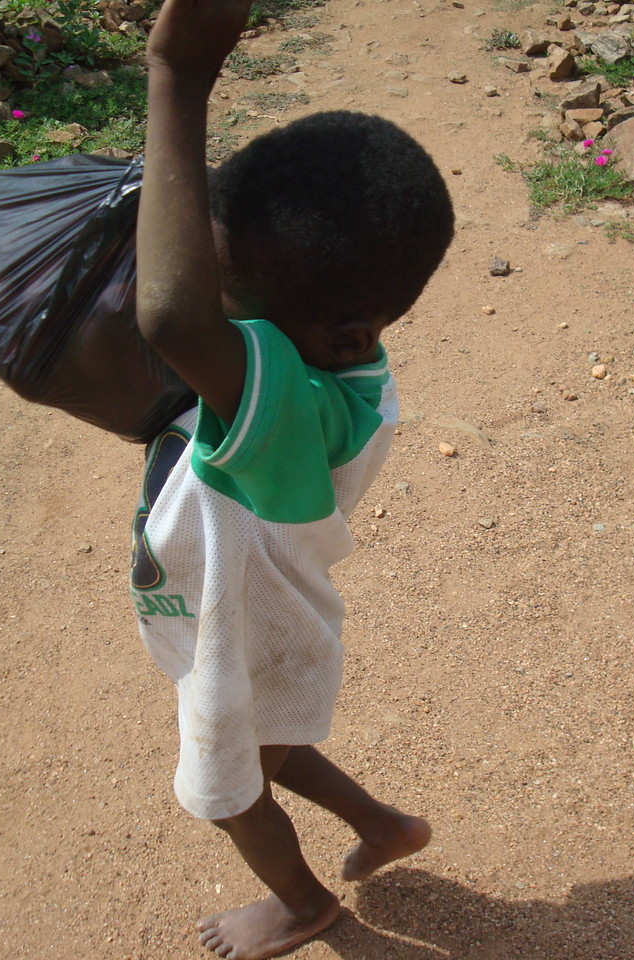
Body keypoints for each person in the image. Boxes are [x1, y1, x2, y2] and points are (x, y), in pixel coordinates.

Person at [131, 1, 455, 957]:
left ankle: (304, 906)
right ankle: (385, 827)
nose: (214, 322)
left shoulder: (294, 405)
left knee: (230, 793)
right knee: (270, 746)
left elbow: (169, 319)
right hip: (266, 623)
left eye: (229, 304)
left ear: (339, 334)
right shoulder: (337, 372)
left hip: (242, 632)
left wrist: (177, 76)